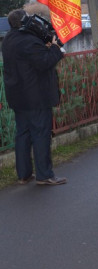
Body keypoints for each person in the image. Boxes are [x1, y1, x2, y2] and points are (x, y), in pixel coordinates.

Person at [2, 9, 67, 186]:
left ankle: (24, 174)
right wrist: (55, 48)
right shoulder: (29, 41)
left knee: (23, 134)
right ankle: (45, 174)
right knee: (40, 134)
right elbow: (45, 62)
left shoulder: (9, 39)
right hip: (36, 97)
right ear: (25, 21)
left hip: (17, 97)